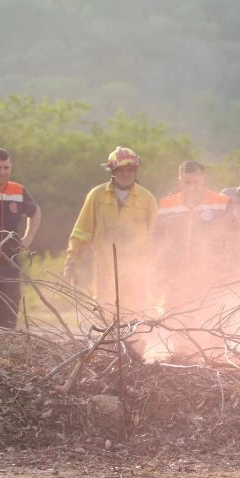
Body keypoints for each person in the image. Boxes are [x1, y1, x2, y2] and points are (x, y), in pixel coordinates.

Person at [63, 147, 157, 359]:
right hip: (105, 269)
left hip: (136, 271)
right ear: (112, 171)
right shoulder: (96, 196)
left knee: (136, 314)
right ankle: (109, 360)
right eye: (122, 170)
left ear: (136, 171)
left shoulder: (146, 199)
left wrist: (157, 270)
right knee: (106, 314)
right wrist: (72, 260)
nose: (127, 174)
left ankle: (135, 361)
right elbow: (82, 231)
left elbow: (156, 238)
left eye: (131, 169)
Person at [153, 161, 231, 358]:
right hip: (175, 271)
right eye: (187, 182)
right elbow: (158, 241)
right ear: (180, 180)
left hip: (210, 270)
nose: (192, 186)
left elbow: (235, 237)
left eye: (196, 182)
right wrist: (158, 270)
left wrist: (231, 265)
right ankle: (182, 353)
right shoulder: (166, 205)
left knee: (212, 312)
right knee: (174, 312)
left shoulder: (221, 203)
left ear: (204, 179)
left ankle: (215, 355)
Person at [0, 148, 42, 328]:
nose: (2, 172)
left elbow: (35, 213)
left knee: (7, 323)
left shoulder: (18, 191)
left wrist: (27, 239)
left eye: (6, 167)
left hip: (9, 266)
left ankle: (2, 356)